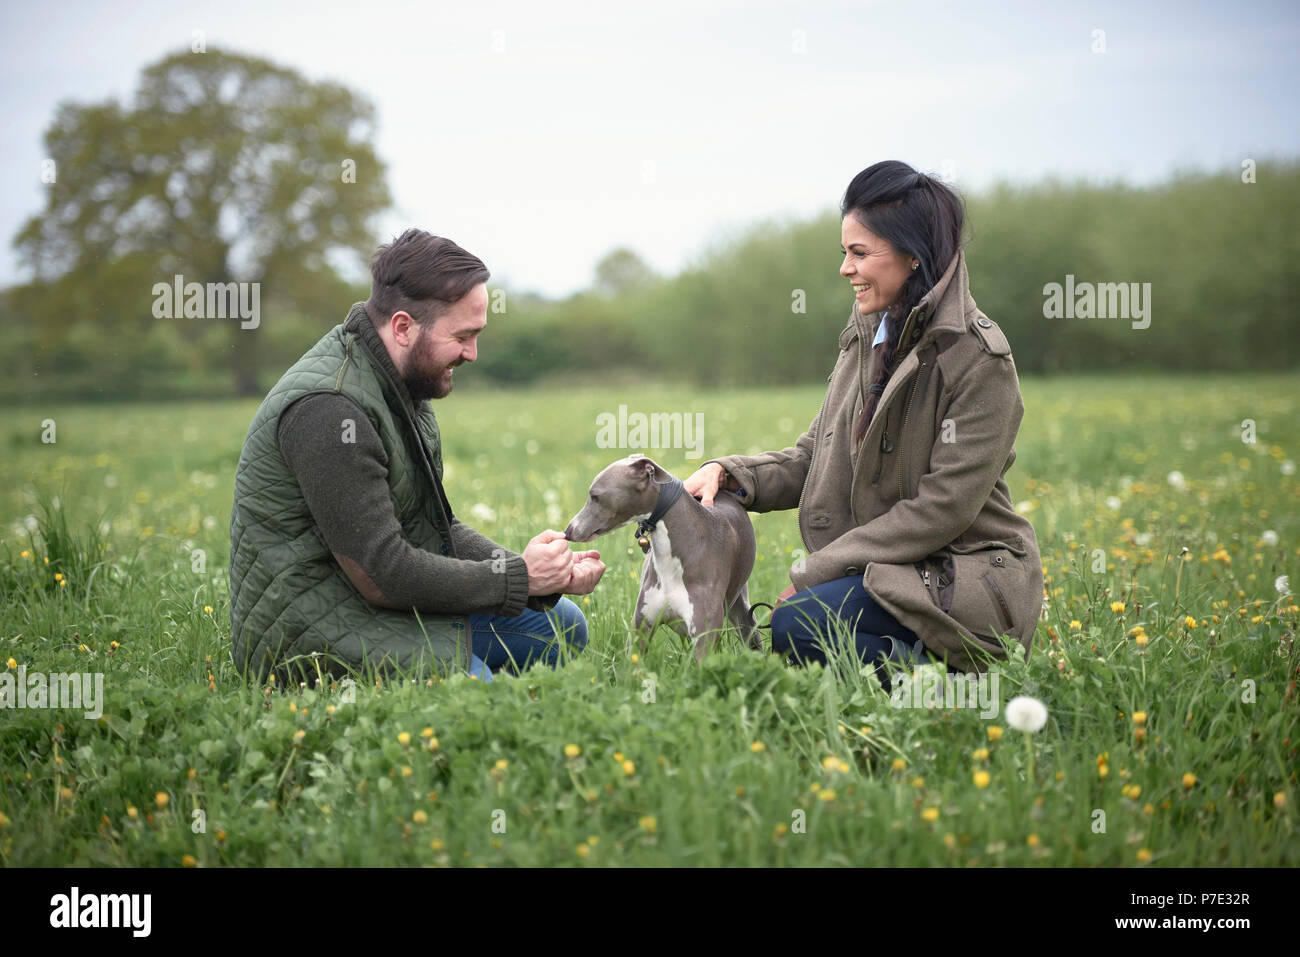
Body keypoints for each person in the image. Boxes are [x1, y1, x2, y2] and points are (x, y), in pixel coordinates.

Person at [684, 161, 1043, 687]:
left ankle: (963, 691)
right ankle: (913, 686)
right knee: (803, 631)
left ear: (914, 256)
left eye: (859, 253)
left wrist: (819, 568)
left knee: (800, 626)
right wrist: (733, 474)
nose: (845, 269)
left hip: (962, 575)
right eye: (844, 252)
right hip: (891, 569)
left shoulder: (979, 360)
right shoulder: (868, 335)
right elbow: (815, 456)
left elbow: (942, 509)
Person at [229, 229, 604, 684]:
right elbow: (383, 572)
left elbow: (435, 529)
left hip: (371, 606)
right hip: (312, 635)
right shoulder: (331, 411)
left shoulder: (400, 382)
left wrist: (541, 576)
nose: (473, 353)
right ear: (404, 327)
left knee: (560, 626)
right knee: (482, 703)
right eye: (463, 336)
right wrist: (520, 578)